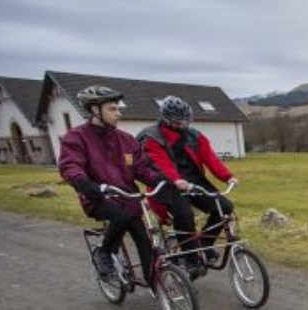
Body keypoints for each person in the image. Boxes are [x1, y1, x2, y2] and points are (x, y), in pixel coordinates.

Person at [59, 85, 163, 285]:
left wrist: (159, 179)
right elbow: (70, 165)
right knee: (120, 217)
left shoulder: (126, 139)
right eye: (112, 109)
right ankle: (104, 253)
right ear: (95, 110)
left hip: (127, 198)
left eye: (118, 108)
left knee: (144, 239)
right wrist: (85, 184)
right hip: (98, 197)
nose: (118, 113)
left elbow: (142, 168)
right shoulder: (76, 137)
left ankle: (154, 283)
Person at [137, 95, 237, 274]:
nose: (183, 125)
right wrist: (176, 180)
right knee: (184, 216)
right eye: (178, 122)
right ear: (166, 119)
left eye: (186, 121)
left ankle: (203, 245)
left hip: (194, 181)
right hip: (167, 185)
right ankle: (191, 259)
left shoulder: (195, 136)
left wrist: (228, 177)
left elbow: (211, 159)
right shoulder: (151, 137)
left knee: (225, 208)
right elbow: (161, 164)